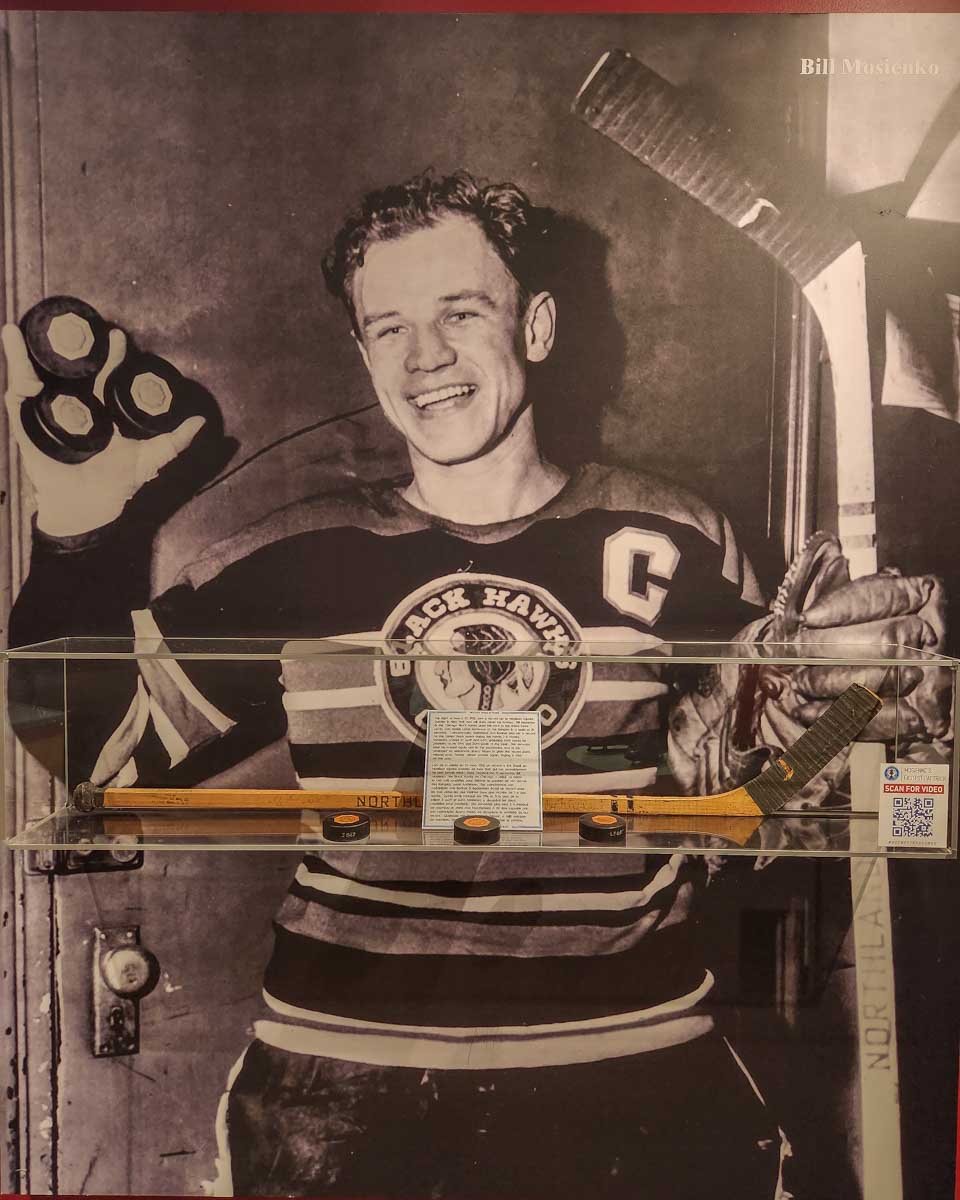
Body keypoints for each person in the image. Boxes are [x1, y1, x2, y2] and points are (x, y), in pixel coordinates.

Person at [4, 171, 948, 1199]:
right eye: (389, 327)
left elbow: (753, 813)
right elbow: (84, 742)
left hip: (636, 1084)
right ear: (363, 351)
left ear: (536, 325)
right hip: (341, 1099)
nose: (426, 359)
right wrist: (78, 538)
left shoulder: (676, 538)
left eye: (461, 312)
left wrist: (858, 711)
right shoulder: (297, 558)